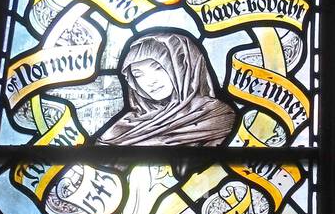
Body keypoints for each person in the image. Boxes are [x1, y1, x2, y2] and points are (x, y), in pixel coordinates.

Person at [98, 30, 235, 146]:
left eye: (158, 68)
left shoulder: (217, 116)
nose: (150, 81)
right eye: (138, 75)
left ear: (183, 67)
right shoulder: (123, 127)